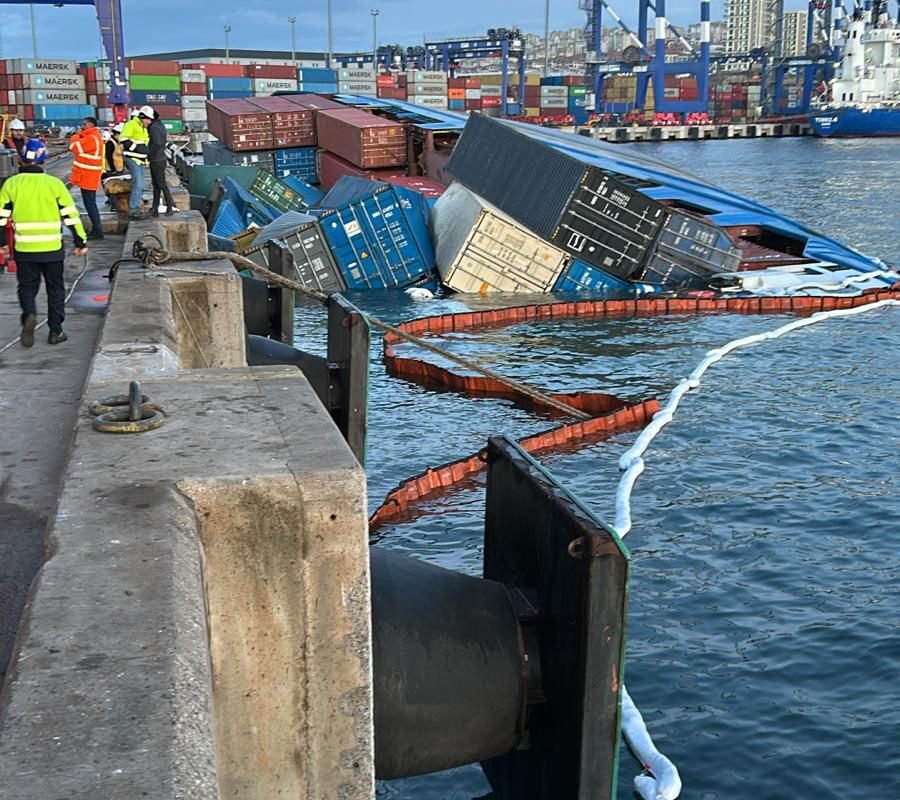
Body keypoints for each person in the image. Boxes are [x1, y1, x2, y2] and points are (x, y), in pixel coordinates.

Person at [0, 139, 88, 347]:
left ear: (22, 159)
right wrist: (80, 241)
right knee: (55, 289)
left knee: (27, 287)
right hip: (52, 249)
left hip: (25, 249)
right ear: (44, 161)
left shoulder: (11, 184)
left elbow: (1, 216)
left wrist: (2, 241)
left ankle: (29, 315)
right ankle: (55, 331)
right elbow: (71, 216)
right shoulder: (54, 184)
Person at [68, 116, 105, 240]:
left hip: (88, 176)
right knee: (90, 204)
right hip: (88, 175)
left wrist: (75, 136)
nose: (81, 127)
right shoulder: (93, 137)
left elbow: (74, 148)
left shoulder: (91, 138)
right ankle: (96, 229)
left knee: (90, 204)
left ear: (90, 125)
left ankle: (97, 231)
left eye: (84, 125)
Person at [139, 105, 177, 217]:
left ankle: (170, 206)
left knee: (161, 184)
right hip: (160, 158)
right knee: (156, 184)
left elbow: (157, 143)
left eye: (145, 120)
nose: (144, 122)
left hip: (157, 159)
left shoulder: (154, 128)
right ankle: (155, 208)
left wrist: (149, 154)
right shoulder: (160, 125)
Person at [119, 108, 149, 219]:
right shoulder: (131, 124)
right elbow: (123, 139)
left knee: (141, 185)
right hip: (133, 158)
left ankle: (136, 208)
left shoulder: (143, 128)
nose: (149, 122)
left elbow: (144, 144)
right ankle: (134, 209)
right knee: (139, 184)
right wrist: (136, 148)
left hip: (140, 160)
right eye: (148, 120)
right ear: (142, 117)